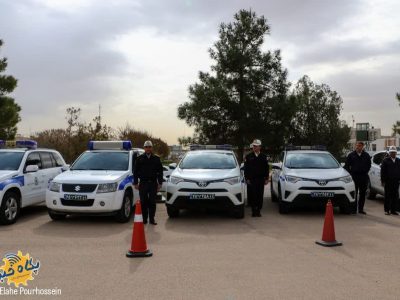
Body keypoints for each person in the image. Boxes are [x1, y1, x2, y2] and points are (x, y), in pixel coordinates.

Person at [134, 141, 164, 225]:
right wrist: (135, 182)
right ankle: (144, 219)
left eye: (149, 147)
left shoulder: (156, 159)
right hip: (143, 183)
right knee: (143, 202)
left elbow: (160, 172)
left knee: (152, 202)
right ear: (144, 148)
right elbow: (135, 172)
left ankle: (152, 219)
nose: (148, 148)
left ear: (151, 148)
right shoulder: (139, 158)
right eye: (146, 147)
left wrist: (160, 183)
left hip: (153, 184)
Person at [344, 141, 371, 214]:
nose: (358, 147)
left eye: (359, 146)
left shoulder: (366, 155)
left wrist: (365, 171)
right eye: (357, 145)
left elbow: (369, 165)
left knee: (362, 194)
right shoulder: (351, 155)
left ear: (362, 147)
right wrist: (350, 173)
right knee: (354, 193)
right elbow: (346, 166)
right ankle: (353, 209)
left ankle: (361, 209)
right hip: (354, 176)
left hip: (363, 177)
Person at [244, 139, 269, 217]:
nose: (254, 147)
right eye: (253, 146)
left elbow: (266, 168)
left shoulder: (264, 157)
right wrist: (247, 178)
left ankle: (258, 210)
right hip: (252, 179)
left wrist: (267, 178)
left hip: (261, 179)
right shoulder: (249, 156)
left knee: (260, 195)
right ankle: (253, 211)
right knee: (253, 195)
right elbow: (246, 168)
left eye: (256, 146)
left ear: (260, 147)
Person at [380, 146, 400, 215]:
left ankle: (393, 210)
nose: (393, 154)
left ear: (396, 153)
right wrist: (383, 181)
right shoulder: (385, 161)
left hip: (396, 181)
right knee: (387, 196)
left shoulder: (398, 160)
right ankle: (386, 210)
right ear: (389, 153)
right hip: (388, 181)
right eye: (392, 152)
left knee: (395, 196)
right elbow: (382, 172)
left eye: (394, 152)